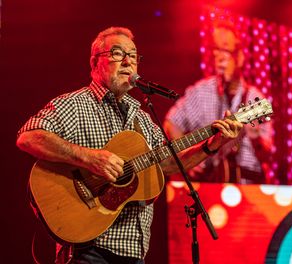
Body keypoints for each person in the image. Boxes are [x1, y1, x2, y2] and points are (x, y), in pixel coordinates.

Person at [16, 27, 243, 264]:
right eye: (116, 53)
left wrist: (212, 145)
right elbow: (29, 136)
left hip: (134, 253)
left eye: (133, 55)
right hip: (88, 248)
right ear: (95, 63)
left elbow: (168, 163)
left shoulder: (142, 117)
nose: (127, 61)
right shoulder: (75, 104)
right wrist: (89, 158)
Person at [164, 24, 273, 184]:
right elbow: (171, 123)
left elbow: (267, 156)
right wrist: (187, 160)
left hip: (247, 186)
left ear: (240, 57)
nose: (219, 57)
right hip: (207, 185)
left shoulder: (256, 99)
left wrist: (255, 137)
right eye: (216, 51)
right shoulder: (200, 91)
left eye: (225, 50)